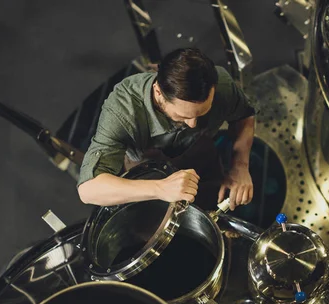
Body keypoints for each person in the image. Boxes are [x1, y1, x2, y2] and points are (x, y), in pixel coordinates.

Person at [77, 47, 256, 211]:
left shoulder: (221, 85)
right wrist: (159, 188)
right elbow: (89, 189)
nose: (193, 124)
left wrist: (240, 166)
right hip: (147, 171)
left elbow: (243, 115)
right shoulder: (124, 109)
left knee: (214, 203)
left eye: (201, 113)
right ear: (158, 93)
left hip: (200, 152)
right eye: (183, 116)